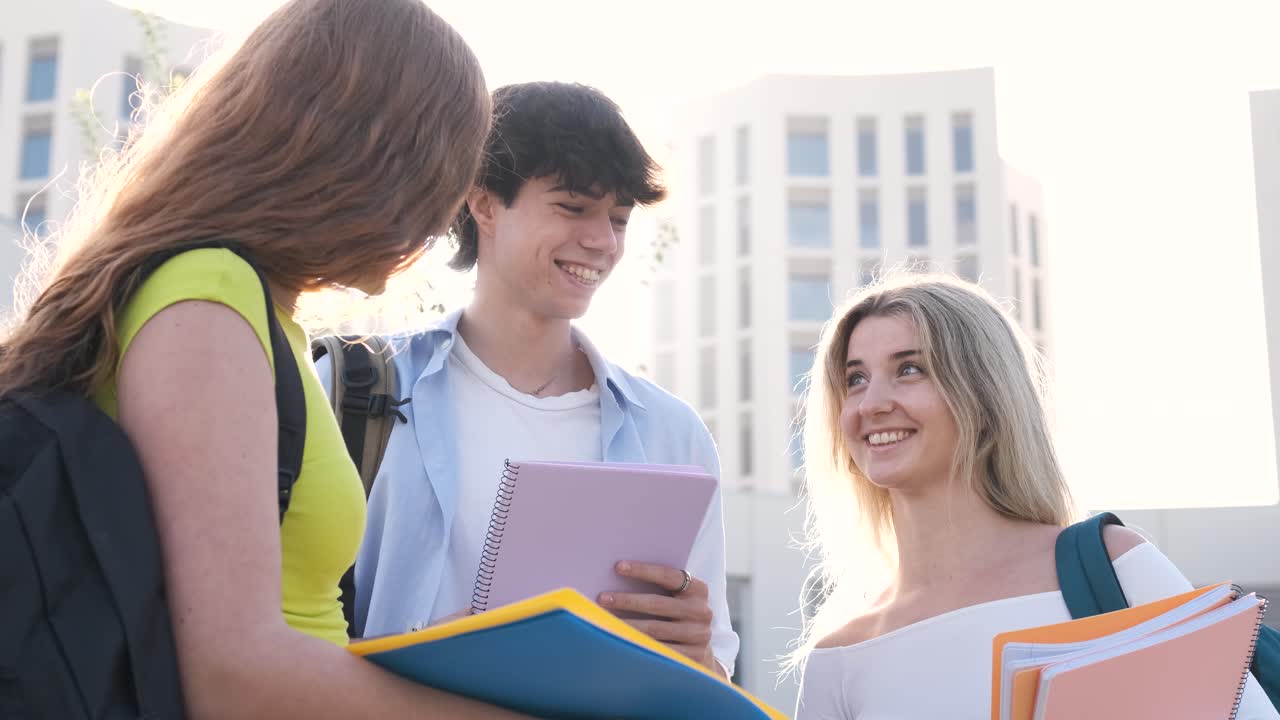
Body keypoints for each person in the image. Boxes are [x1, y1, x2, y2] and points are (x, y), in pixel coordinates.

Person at [0, 1, 538, 717]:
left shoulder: (249, 310)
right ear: (378, 156)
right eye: (444, 174)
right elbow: (234, 676)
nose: (442, 220)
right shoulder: (209, 300)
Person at [323, 81, 740, 677]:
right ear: (484, 203)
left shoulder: (672, 434)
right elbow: (280, 643)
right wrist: (446, 653)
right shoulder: (352, 389)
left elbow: (714, 684)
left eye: (618, 219)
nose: (601, 241)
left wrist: (696, 652)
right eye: (573, 208)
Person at [790, 273, 1278, 719]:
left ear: (984, 394)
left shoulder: (1109, 565)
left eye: (910, 369)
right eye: (855, 379)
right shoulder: (839, 656)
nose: (871, 404)